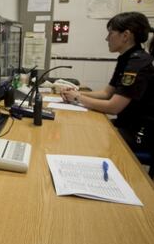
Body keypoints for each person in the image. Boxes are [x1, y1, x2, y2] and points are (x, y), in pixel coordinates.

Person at [61, 12, 154, 152]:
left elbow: (113, 107)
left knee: (89, 141)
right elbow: (106, 93)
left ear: (125, 35)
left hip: (140, 132)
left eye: (110, 33)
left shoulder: (137, 63)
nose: (106, 38)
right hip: (126, 124)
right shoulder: (126, 58)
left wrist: (78, 98)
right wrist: (76, 93)